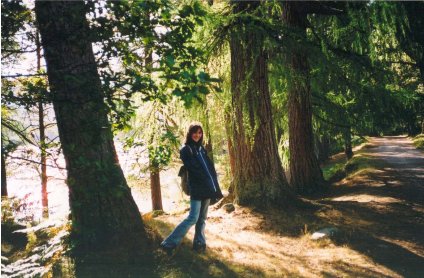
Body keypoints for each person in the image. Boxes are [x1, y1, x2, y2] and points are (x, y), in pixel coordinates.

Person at [160, 122, 223, 254]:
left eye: (200, 133)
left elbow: (209, 170)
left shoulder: (202, 149)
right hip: (197, 188)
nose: (197, 135)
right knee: (193, 218)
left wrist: (214, 188)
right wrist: (206, 182)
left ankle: (199, 244)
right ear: (190, 133)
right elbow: (195, 169)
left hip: (206, 188)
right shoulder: (186, 149)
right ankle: (168, 243)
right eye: (195, 132)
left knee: (202, 219)